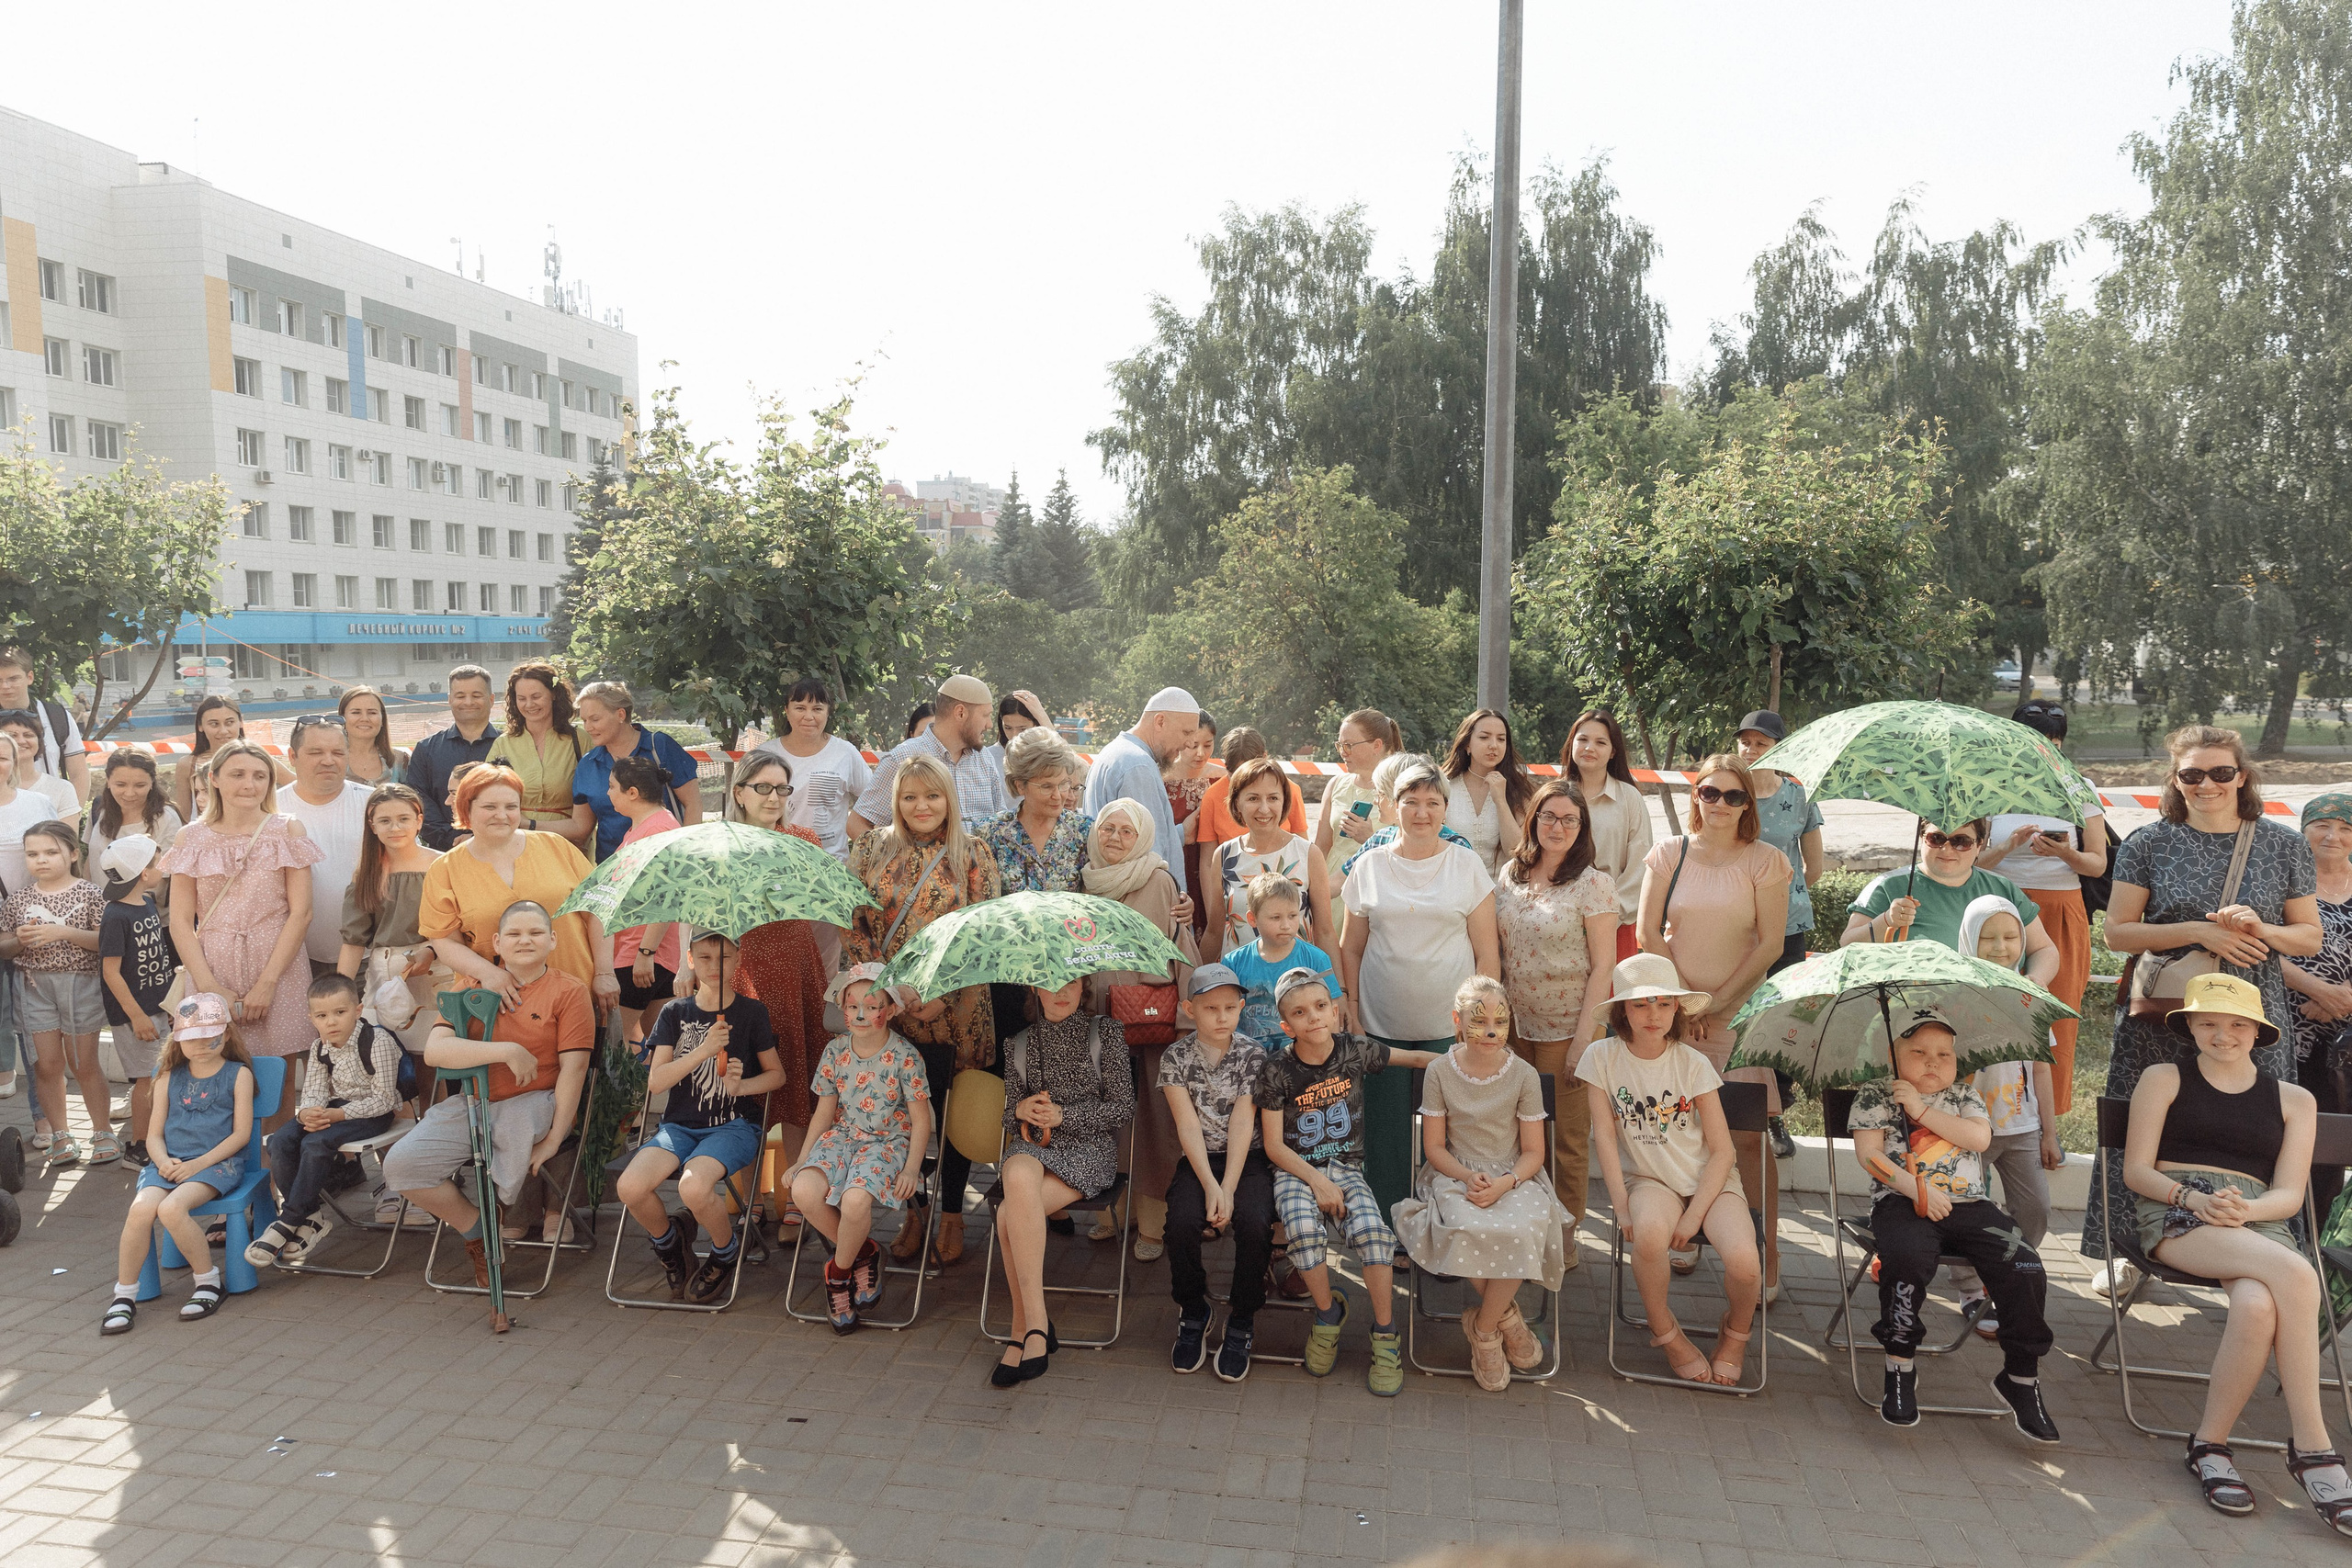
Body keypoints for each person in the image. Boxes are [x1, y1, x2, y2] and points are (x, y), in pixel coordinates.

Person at [2087, 726, 2323, 1300]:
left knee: (2254, 1121)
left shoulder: (2282, 845)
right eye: (2191, 774)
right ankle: (2128, 1249)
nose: (2207, 784)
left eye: (2220, 772)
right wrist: (2196, 930)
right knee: (2141, 1125)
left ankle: (2254, 1236)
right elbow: (2117, 933)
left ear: (2242, 777)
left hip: (2251, 1012)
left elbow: (2309, 937)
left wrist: (2261, 929)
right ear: (2175, 780)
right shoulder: (2148, 843)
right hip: (2167, 1012)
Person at [2122, 974, 2352, 1533]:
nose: (2222, 1035)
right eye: (2208, 1023)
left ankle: (2210, 1446)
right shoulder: (2163, 1078)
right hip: (2176, 1208)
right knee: (2299, 1275)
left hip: (2256, 1218)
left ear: (2258, 1031)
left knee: (2257, 1307)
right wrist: (2195, 1198)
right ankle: (2313, 1447)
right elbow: (2136, 1172)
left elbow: (2288, 1195)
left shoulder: (2295, 1099)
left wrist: (2244, 1212)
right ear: (2191, 1027)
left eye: (2236, 1024)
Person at [1849, 1005, 2059, 1439]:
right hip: (1901, 1202)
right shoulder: (1876, 1093)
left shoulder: (1964, 1097)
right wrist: (1917, 1190)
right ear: (1894, 1056)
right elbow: (1870, 1155)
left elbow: (1979, 1138)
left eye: (1944, 1054)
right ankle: (1900, 1366)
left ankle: (2020, 1378)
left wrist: (1921, 1112)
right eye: (1920, 1051)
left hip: (1970, 1205)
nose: (1932, 1062)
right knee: (1905, 1262)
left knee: (2024, 1265)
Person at [380, 901, 595, 1286]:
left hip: (536, 1102)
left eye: (534, 933)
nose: (524, 940)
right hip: (475, 1101)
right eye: (513, 933)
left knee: (514, 1128)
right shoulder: (470, 988)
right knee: (401, 1166)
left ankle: (499, 1205)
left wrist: (554, 1141)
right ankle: (479, 1229)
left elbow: (574, 1070)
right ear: (497, 942)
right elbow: (436, 1051)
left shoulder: (569, 992)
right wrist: (505, 1051)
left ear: (552, 939)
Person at [1639, 754, 1790, 1290]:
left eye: (1733, 795)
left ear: (1748, 803)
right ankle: (1687, 1231)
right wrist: (1680, 1005)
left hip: (1737, 1015)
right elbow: (1648, 934)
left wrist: (1719, 1005)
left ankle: (1766, 1255)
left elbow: (1771, 943)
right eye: (1710, 793)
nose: (1720, 804)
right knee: (1676, 1126)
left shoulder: (1766, 860)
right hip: (1671, 1014)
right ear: (1694, 797)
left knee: (1747, 1137)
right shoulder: (1668, 853)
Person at [1257, 969, 1444, 1396]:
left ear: (1336, 1011)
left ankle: (1385, 1334)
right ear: (1287, 1025)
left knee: (1376, 1238)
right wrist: (1315, 1183)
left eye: (1321, 1007)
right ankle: (1326, 1316)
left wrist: (1472, 1063)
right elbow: (1273, 1146)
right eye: (1300, 1013)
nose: (1314, 1018)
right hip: (1295, 1169)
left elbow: (1415, 1059)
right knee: (1303, 1233)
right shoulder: (1277, 1070)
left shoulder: (1354, 1050)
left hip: (1346, 1168)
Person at [847, 754, 1001, 1267]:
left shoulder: (974, 854)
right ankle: (914, 1210)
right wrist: (890, 993)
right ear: (895, 799)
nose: (921, 806)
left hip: (959, 1009)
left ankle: (953, 1212)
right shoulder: (871, 848)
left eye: (932, 795)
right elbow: (855, 927)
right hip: (889, 1011)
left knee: (953, 1115)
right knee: (901, 1114)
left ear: (949, 799)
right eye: (910, 796)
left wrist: (943, 994)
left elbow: (985, 935)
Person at [1578, 953, 1758, 1386]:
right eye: (1640, 1005)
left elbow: (1722, 1152)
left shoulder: (1692, 1063)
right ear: (1623, 1010)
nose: (1653, 1014)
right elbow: (1603, 1136)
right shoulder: (1600, 1057)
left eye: (1662, 1003)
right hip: (1649, 1180)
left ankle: (1735, 1335)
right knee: (1649, 1236)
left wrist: (1696, 1212)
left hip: (1709, 1183)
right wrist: (1620, 1207)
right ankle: (1666, 1333)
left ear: (1677, 1007)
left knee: (1744, 1262)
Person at [1339, 755, 1499, 1224]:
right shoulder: (1368, 866)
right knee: (1385, 1134)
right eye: (1412, 802)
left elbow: (1486, 954)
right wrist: (1350, 1006)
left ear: (1445, 809)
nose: (1422, 812)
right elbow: (1351, 949)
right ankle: (1386, 1228)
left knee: (1450, 1134)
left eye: (1433, 802)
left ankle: (1448, 1226)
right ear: (1393, 806)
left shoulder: (1467, 866)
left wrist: (1479, 1022)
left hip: (1449, 1028)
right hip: (1379, 1023)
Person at [1393, 976, 1566, 1390]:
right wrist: (1469, 1176)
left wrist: (1505, 1183)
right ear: (1457, 1021)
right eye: (1479, 1020)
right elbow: (1433, 1147)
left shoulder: (1523, 1075)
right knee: (1462, 1224)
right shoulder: (1438, 1071)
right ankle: (1507, 1316)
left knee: (1521, 1227)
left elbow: (1534, 1153)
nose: (1490, 1031)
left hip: (1514, 1176)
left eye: (1500, 1022)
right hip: (1455, 1173)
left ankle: (1484, 1329)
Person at [617, 931, 785, 1304]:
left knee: (692, 1187)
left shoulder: (752, 1012)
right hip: (679, 1126)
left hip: (735, 1125)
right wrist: (703, 1050)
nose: (714, 966)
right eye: (705, 958)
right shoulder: (675, 1012)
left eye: (724, 957)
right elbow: (657, 1082)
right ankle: (670, 1245)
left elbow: (777, 1076)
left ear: (738, 960)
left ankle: (724, 1253)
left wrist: (742, 1087)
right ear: (690, 960)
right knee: (630, 1187)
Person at [1493, 778, 1618, 1262]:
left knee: (1566, 1138)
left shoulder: (1594, 883)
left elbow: (1603, 965)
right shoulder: (1510, 875)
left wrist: (1584, 1038)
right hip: (1513, 1028)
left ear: (1582, 826)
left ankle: (1565, 1233)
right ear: (1534, 821)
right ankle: (1523, 1220)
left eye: (1569, 818)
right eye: (1548, 816)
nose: (1558, 826)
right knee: (1519, 1133)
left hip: (1570, 1027)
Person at [989, 976, 1136, 1387]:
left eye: (1071, 983)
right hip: (1036, 1149)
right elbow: (1007, 1117)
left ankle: (1023, 1330)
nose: (1061, 992)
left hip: (1090, 1150)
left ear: (1084, 987)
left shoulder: (1104, 1032)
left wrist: (1065, 1117)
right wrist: (1021, 1107)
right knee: (1016, 1169)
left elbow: (1123, 1107)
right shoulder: (1017, 1043)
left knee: (1006, 1216)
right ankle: (1036, 1323)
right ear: (1034, 990)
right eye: (1050, 984)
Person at [1079, 797, 1199, 1258]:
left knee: (1153, 1124)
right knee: (1110, 1122)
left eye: (1127, 831)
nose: (1115, 839)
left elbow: (1181, 949)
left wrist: (1187, 1023)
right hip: (1098, 1024)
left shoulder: (1159, 880)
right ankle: (1116, 1214)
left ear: (1144, 836)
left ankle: (1153, 1225)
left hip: (1152, 1025)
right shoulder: (1087, 884)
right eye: (1108, 829)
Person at [1976, 699, 2106, 1111]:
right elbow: (1972, 860)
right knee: (1992, 1009)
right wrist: (2010, 845)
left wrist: (2064, 854)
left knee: (2058, 1012)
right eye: (2032, 741)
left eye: (2052, 742)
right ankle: (1987, 1109)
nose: (2043, 750)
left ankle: (2048, 1118)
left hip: (2061, 908)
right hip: (1998, 906)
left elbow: (2097, 863)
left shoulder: (2078, 786)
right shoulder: (1988, 785)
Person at [160, 739, 322, 1069]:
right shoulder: (190, 837)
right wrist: (209, 987)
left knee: (280, 1072)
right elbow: (179, 922)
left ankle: (277, 1126)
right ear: (214, 779)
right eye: (238, 774)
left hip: (278, 962)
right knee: (210, 1066)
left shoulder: (287, 829)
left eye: (260, 776)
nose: (250, 784)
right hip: (211, 963)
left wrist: (268, 983)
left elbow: (301, 913)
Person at [99, 992, 255, 1334]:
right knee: (141, 1210)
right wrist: (163, 1161)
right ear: (178, 1039)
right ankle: (124, 1295)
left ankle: (208, 1282)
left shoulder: (238, 1074)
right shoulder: (169, 1076)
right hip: (168, 1164)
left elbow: (240, 1136)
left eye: (208, 1035)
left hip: (216, 1166)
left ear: (226, 1034)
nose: (200, 1045)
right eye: (190, 1038)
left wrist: (196, 1165)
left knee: (171, 1210)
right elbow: (153, 1134)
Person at [720, 752, 831, 1230]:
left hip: (796, 969)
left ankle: (792, 1197)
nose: (773, 797)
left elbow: (819, 898)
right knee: (744, 1093)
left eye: (782, 789)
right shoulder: (721, 846)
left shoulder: (804, 840)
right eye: (763, 788)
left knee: (797, 1090)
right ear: (739, 793)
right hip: (743, 974)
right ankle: (746, 1200)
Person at [789, 964, 933, 1333]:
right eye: (852, 1007)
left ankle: (837, 1274)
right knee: (804, 1190)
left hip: (887, 1142)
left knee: (854, 1202)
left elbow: (921, 1120)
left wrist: (912, 1169)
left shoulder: (905, 1056)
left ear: (891, 1009)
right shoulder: (835, 1051)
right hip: (843, 1136)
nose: (861, 1015)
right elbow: (823, 1114)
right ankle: (864, 1252)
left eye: (872, 1007)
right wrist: (802, 1161)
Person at [1951, 895, 2063, 1338]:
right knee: (1965, 1211)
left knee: (2035, 1207)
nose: (2000, 947)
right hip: (1965, 1130)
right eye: (1988, 937)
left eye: (2011, 936)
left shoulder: (2031, 997)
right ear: (1968, 940)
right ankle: (1969, 1289)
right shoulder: (1954, 997)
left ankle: (2007, 1272)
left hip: (2021, 1127)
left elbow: (2041, 1070)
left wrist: (2049, 1133)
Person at [1160, 964, 1274, 1382]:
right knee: (1182, 1224)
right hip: (1199, 1160)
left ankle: (1242, 1317)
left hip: (1248, 1159)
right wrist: (1210, 1184)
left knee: (1255, 1222)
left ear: (1242, 1008)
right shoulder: (1174, 1058)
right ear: (1190, 1009)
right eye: (1211, 1008)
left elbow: (1245, 1122)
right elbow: (1186, 1125)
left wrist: (1227, 1188)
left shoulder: (1253, 1055)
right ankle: (1194, 1309)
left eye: (1230, 1007)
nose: (1222, 1016)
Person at [243, 973, 403, 1268]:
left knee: (317, 1142)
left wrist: (336, 1115)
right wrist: (308, 1113)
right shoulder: (320, 1047)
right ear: (312, 1018)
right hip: (336, 1109)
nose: (331, 1022)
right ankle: (311, 1216)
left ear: (357, 1010)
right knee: (281, 1140)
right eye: (322, 1015)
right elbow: (315, 1091)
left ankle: (289, 1220)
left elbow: (384, 1099)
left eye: (340, 1013)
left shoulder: (376, 1041)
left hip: (374, 1113)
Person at [1733, 711, 1824, 1157]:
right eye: (1744, 742)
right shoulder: (1729, 793)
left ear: (1780, 749)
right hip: (1736, 925)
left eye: (1761, 743)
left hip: (1788, 925)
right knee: (1739, 1016)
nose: (1750, 749)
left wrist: (1785, 893)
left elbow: (1816, 865)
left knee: (1781, 1017)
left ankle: (1776, 1116)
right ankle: (1736, 1109)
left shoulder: (1799, 795)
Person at [6, 820, 111, 1164]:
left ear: (72, 853)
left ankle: (102, 1132)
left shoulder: (91, 893)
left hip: (80, 984)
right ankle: (61, 1135)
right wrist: (18, 941)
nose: (41, 860)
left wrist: (63, 932)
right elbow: (3, 945)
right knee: (46, 1066)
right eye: (32, 854)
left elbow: (104, 942)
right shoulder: (19, 899)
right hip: (34, 986)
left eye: (51, 852)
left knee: (83, 1063)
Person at [1845, 818, 2065, 980]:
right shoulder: (1887, 886)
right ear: (1922, 839)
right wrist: (1885, 920)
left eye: (1961, 841)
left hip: (1988, 1010)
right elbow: (1847, 944)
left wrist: (2037, 979)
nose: (1947, 848)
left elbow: (2043, 949)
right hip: (1910, 1013)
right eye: (1936, 838)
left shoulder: (2002, 888)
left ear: (1979, 844)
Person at [334, 784, 445, 1047]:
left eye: (403, 819)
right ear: (373, 826)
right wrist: (340, 992)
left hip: (436, 968)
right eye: (385, 821)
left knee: (432, 1051)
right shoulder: (367, 873)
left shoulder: (442, 865)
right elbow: (353, 941)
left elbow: (460, 926)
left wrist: (431, 950)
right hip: (386, 974)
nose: (395, 828)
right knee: (385, 1053)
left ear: (419, 821)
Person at [2286, 793, 2352, 1223]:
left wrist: (2342, 995)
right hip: (2286, 1026)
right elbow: (2259, 944)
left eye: (2346, 828)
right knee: (2282, 1131)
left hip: (2345, 1043)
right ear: (2304, 829)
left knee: (2331, 1142)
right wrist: (2317, 989)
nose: (2334, 836)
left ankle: (2314, 1239)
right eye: (2322, 825)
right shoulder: (2284, 877)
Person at [95, 835, 173, 1169]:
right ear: (143, 872)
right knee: (146, 1079)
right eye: (157, 861)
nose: (162, 866)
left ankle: (155, 1137)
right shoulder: (115, 915)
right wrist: (137, 1016)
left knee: (158, 1075)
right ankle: (139, 1147)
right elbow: (111, 972)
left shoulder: (148, 902)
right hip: (134, 1014)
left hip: (158, 1007)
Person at [849, 674, 1005, 839]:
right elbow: (857, 825)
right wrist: (896, 861)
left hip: (981, 864)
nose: (989, 725)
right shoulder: (903, 758)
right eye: (985, 715)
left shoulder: (984, 758)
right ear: (960, 713)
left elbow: (999, 823)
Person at [277, 715, 374, 977]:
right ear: (293, 756)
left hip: (369, 955)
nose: (328, 760)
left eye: (337, 752)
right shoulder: (271, 810)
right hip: (293, 958)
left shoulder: (373, 805)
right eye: (315, 752)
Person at [1080, 686, 1200, 897]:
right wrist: (1172, 899)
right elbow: (1147, 852)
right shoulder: (1137, 766)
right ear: (1160, 721)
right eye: (1187, 732)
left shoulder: (1116, 753)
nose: (1190, 743)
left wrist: (1180, 834)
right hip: (1142, 902)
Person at [1206, 757, 1333, 955]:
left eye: (1273, 798)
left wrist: (1338, 986)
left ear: (1284, 801)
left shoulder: (1308, 854)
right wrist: (1200, 981)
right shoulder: (1224, 856)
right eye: (1253, 798)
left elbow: (1325, 932)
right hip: (1240, 980)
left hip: (1297, 981)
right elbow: (1214, 932)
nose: (1264, 809)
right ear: (1237, 803)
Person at [1560, 709, 1656, 964]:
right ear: (1572, 744)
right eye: (1583, 740)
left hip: (1614, 923)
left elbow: (1640, 865)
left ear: (1613, 751)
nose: (1590, 747)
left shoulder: (1629, 798)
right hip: (1558, 922)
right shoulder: (1554, 796)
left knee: (1610, 1000)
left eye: (1601, 742)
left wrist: (1611, 914)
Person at [571, 680, 702, 862]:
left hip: (664, 865)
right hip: (613, 869)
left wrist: (685, 857)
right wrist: (528, 825)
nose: (588, 727)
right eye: (584, 720)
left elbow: (693, 804)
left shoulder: (659, 747)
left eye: (595, 719)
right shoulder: (588, 764)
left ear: (621, 714)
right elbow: (581, 826)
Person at [605, 756, 684, 1046]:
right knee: (655, 1042)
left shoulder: (657, 830)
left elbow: (667, 897)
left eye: (612, 786)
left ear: (633, 792)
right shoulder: (648, 825)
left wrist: (646, 952)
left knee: (617, 1042)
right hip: (645, 950)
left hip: (642, 950)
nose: (608, 793)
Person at [0, 729, 60, 1113]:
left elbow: (62, 855)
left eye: (2, 757)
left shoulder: (37, 803)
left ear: (14, 761)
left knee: (36, 1029)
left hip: (32, 929)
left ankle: (44, 1120)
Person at [750, 677, 873, 860]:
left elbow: (874, 801)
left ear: (828, 712)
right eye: (800, 708)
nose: (809, 717)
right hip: (775, 860)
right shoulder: (765, 754)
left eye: (817, 709)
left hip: (831, 865)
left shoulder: (845, 753)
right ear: (787, 711)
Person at [1313, 708, 1401, 940]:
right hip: (1333, 888)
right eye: (1340, 745)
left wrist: (1369, 839)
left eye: (1349, 745)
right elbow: (1321, 846)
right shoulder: (1336, 784)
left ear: (1377, 745)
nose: (1343, 752)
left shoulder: (1401, 788)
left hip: (1377, 889)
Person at [1225, 874, 1341, 1047]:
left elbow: (1331, 1016)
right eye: (1276, 918)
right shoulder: (1233, 963)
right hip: (1250, 1062)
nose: (1286, 925)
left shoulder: (1316, 959)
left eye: (1292, 916)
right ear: (1252, 919)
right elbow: (1225, 1015)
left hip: (1303, 1060)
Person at [975, 728, 1092, 896]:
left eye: (1064, 784)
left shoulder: (1084, 831)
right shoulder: (989, 833)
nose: (1058, 796)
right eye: (1047, 786)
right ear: (1020, 785)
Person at [485, 661, 590, 840]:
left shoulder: (580, 740)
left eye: (536, 696)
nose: (529, 704)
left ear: (554, 694)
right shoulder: (503, 744)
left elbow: (587, 819)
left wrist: (529, 824)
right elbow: (487, 796)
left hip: (568, 844)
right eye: (522, 698)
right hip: (516, 843)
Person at [405, 667, 500, 852]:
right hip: (443, 853)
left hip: (500, 851)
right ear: (449, 699)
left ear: (491, 699)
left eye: (476, 695)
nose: (468, 702)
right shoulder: (426, 749)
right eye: (460, 695)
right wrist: (454, 839)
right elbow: (418, 801)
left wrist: (477, 838)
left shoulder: (510, 747)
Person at [165, 695, 295, 828]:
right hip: (208, 839)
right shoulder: (187, 764)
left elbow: (299, 787)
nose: (223, 731)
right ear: (200, 726)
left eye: (229, 723)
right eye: (214, 724)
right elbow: (184, 816)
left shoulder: (259, 759)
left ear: (241, 722)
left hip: (257, 835)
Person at [1441, 709, 1533, 875]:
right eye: (1484, 737)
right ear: (1467, 744)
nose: (1493, 745)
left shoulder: (1517, 789)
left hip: (1501, 893)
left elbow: (1516, 852)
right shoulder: (1444, 786)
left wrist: (1500, 801)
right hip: (1451, 890)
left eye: (1501, 739)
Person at [1192, 727, 1307, 853]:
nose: (1242, 785)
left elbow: (1302, 849)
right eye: (1234, 776)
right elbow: (1208, 861)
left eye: (1250, 777)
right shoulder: (1212, 796)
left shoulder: (1288, 790)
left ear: (1264, 758)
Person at [0, 647, 90, 802]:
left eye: (13, 679)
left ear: (30, 677)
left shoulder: (57, 717)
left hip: (50, 819)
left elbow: (79, 773)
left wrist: (72, 817)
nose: (5, 686)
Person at [82, 749, 183, 886]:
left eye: (140, 785)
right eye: (120, 785)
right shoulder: (100, 809)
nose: (129, 793)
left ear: (152, 782)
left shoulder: (166, 819)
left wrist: (131, 907)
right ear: (108, 781)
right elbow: (91, 860)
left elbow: (164, 879)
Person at [1167, 709, 1217, 920]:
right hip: (1175, 865)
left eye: (1207, 745)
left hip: (1213, 866)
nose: (1201, 753)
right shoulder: (1161, 780)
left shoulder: (1221, 779)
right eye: (1193, 745)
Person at [0, 708, 80, 818]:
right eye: (12, 735)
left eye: (28, 735)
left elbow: (67, 835)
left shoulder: (61, 789)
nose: (21, 741)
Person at [335, 685, 411, 787]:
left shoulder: (400, 761)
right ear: (342, 718)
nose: (364, 718)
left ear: (382, 719)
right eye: (356, 712)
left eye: (372, 712)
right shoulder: (331, 761)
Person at [979, 689, 1054, 791]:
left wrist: (1043, 716)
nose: (1015, 736)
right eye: (1008, 728)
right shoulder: (987, 757)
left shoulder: (1047, 754)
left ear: (1036, 724)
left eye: (1022, 729)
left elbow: (1074, 769)